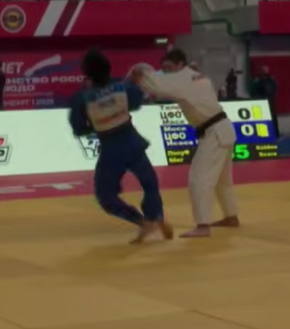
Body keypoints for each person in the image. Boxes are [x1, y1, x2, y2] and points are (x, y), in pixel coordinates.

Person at [69, 49, 172, 243]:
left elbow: (79, 129)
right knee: (149, 184)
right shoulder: (121, 87)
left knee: (105, 196)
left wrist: (97, 123)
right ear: (109, 68)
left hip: (111, 151)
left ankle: (142, 221)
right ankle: (156, 216)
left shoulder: (82, 98)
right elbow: (136, 103)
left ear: (86, 73)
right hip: (133, 143)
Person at [134, 49, 239, 238]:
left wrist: (139, 72)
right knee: (222, 180)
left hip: (214, 133)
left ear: (180, 64)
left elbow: (157, 87)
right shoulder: (194, 76)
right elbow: (164, 83)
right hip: (222, 129)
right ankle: (231, 216)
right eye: (164, 67)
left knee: (199, 178)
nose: (166, 71)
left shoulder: (182, 78)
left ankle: (202, 225)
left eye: (169, 67)